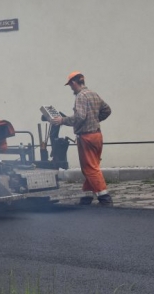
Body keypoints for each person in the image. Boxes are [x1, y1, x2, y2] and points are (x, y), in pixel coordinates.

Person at [50, 71, 112, 206]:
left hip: (86, 137)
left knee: (90, 168)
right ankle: (86, 197)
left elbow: (80, 117)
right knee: (92, 166)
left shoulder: (80, 96)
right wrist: (95, 120)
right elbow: (107, 110)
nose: (71, 88)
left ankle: (105, 198)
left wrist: (62, 120)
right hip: (97, 135)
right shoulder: (93, 94)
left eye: (70, 86)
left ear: (74, 83)